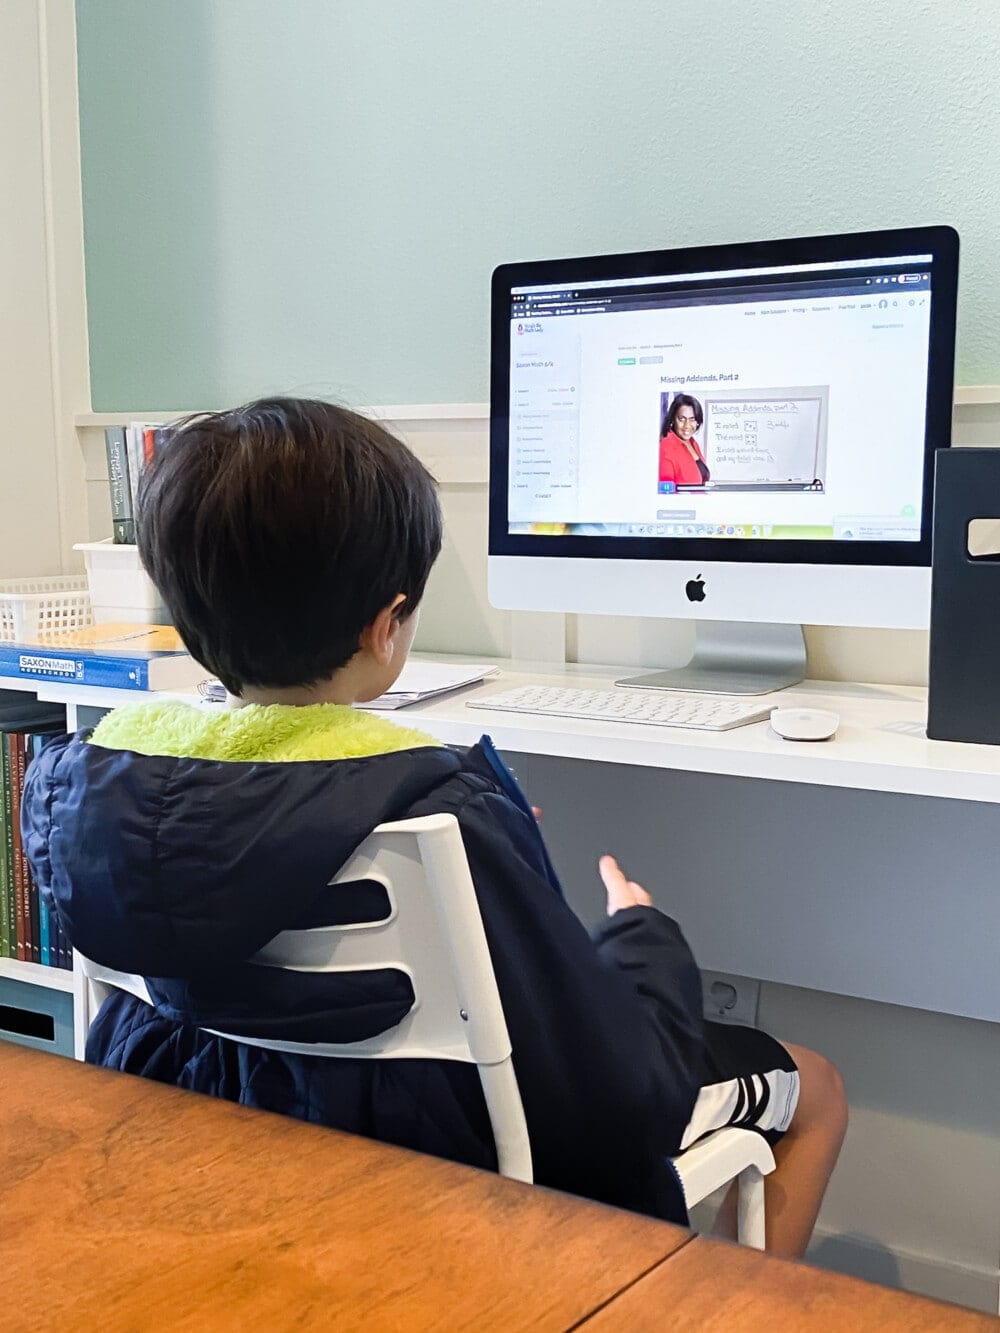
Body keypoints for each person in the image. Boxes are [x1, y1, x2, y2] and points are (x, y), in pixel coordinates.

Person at [22, 398, 846, 1256]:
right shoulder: (436, 805)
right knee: (817, 1086)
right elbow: (612, 1094)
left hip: (207, 1136)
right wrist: (642, 936)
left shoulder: (83, 785)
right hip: (427, 1162)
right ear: (387, 624)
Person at [660, 393, 710, 486]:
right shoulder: (666, 446)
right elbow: (665, 491)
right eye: (682, 419)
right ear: (673, 420)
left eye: (692, 419)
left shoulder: (693, 442)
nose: (687, 426)